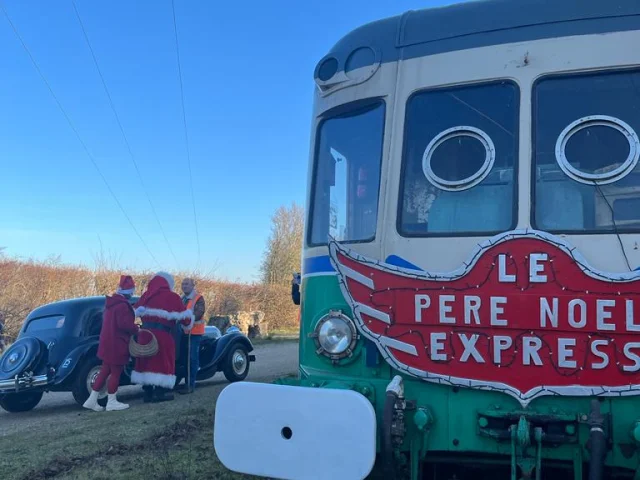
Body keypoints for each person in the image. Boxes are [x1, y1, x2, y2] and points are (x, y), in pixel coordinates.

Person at [130, 272, 194, 403]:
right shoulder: (172, 297)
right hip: (163, 335)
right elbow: (186, 320)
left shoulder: (146, 296)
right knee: (162, 362)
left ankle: (147, 393)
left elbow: (132, 312)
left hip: (145, 334)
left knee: (145, 361)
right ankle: (160, 392)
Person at [83, 275, 139, 412]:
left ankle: (91, 400)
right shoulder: (122, 306)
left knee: (104, 371)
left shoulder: (111, 304)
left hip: (107, 342)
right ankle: (112, 401)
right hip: (117, 344)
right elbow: (125, 325)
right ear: (129, 292)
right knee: (116, 373)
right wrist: (136, 328)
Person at [176, 277, 205, 394]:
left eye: (187, 284)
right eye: (183, 284)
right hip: (183, 332)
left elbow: (199, 313)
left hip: (194, 333)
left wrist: (185, 319)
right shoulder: (181, 298)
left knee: (192, 358)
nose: (184, 286)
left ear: (193, 286)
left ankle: (190, 384)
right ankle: (183, 382)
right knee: (183, 358)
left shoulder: (198, 298)